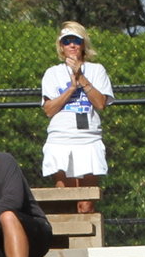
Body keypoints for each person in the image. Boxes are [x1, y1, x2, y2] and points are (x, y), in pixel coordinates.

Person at [40, 23, 112, 213]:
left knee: (86, 205)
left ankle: (89, 243)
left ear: (83, 45)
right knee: (64, 202)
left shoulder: (97, 71)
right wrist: (71, 89)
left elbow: (100, 104)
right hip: (60, 140)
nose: (72, 45)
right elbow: (49, 110)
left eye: (76, 41)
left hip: (89, 139)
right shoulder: (52, 73)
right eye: (67, 41)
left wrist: (80, 78)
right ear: (61, 47)